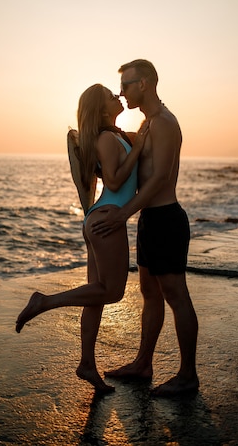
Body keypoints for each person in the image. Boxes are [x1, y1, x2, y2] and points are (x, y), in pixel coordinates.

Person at [15, 83, 147, 395]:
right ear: (101, 109)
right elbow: (115, 179)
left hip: (99, 217)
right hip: (108, 219)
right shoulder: (104, 138)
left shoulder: (113, 135)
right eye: (110, 96)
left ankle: (87, 363)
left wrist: (137, 139)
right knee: (111, 292)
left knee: (96, 296)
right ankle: (44, 301)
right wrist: (139, 147)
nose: (117, 97)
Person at [91, 59, 199, 397]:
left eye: (127, 84)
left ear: (146, 83)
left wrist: (123, 214)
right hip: (150, 220)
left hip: (167, 218)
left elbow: (159, 180)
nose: (121, 91)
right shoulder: (148, 124)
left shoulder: (165, 123)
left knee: (175, 295)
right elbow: (124, 168)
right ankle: (143, 363)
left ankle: (188, 375)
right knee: (150, 294)